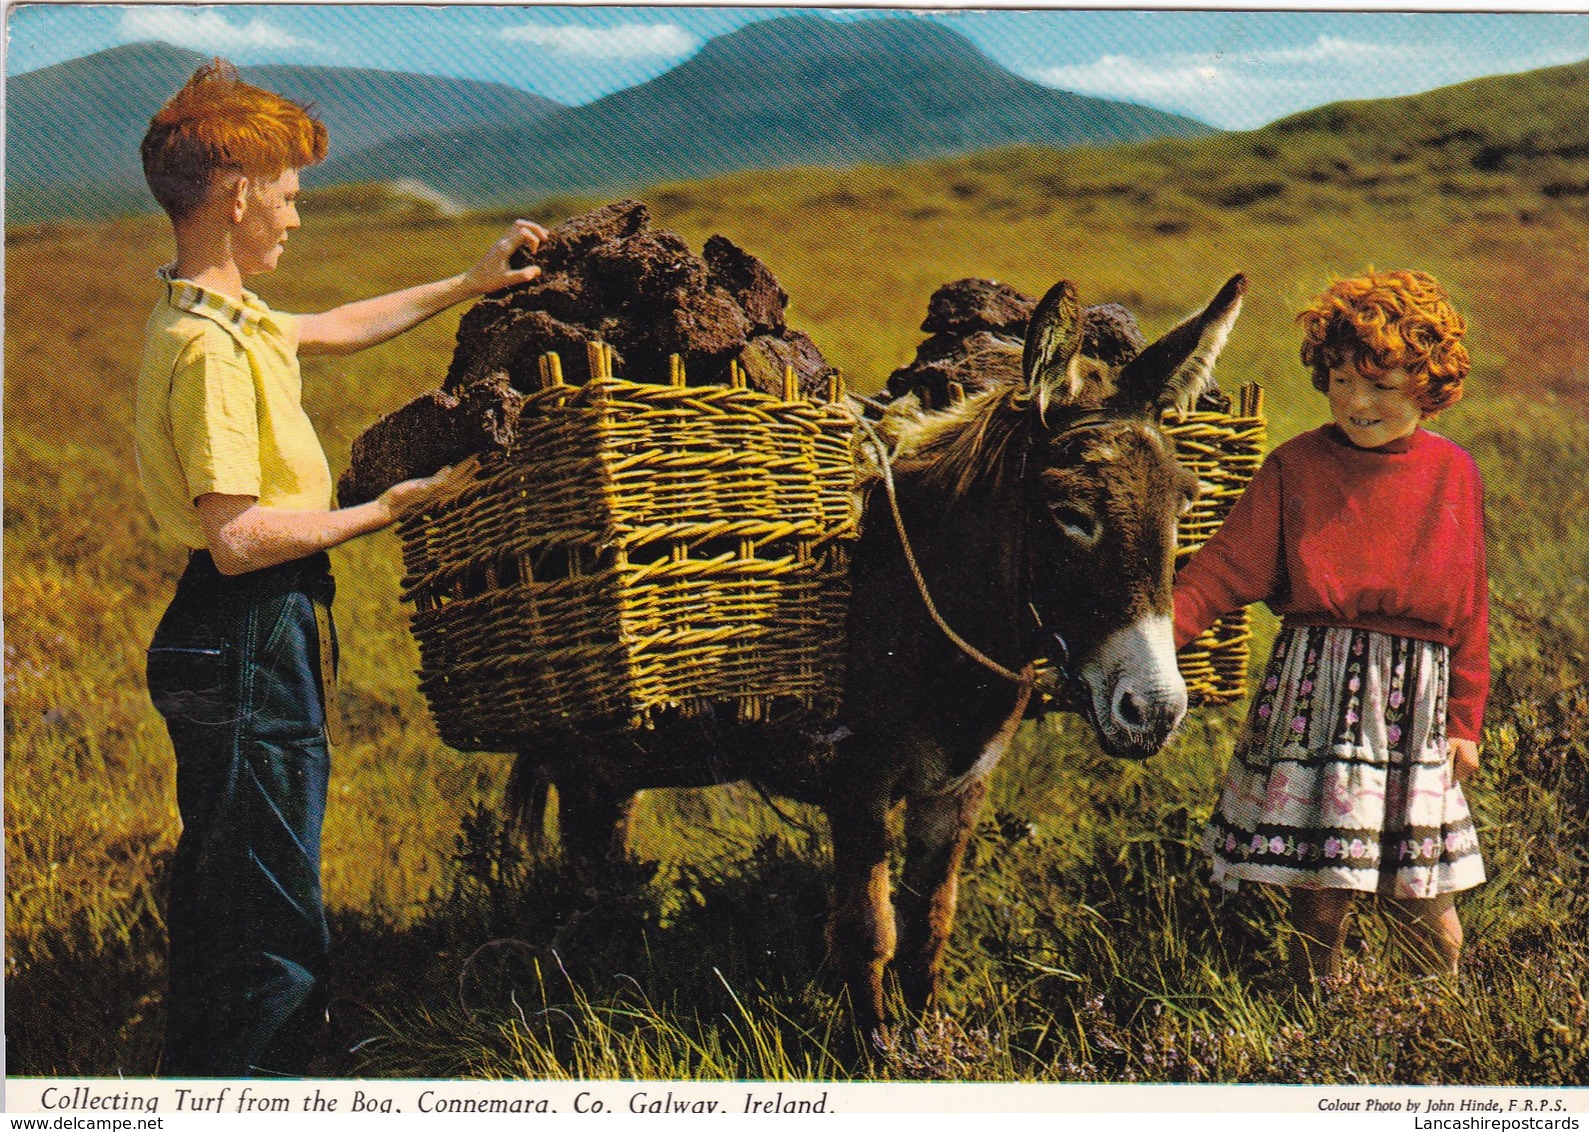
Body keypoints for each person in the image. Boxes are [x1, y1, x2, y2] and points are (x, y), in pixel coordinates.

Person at [134, 59, 548, 1076]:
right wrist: (388, 510)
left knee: (231, 884)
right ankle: (269, 1085)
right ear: (238, 199)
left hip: (246, 630)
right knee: (270, 913)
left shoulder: (219, 317)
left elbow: (333, 327)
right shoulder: (210, 353)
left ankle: (206, 1075)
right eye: (287, 196)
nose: (297, 218)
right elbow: (238, 540)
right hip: (246, 627)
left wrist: (469, 281)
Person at [1174, 268, 1488, 987]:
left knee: (1425, 904)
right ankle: (1314, 1023)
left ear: (1427, 386)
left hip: (1414, 710)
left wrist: (1465, 720)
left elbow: (1470, 609)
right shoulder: (1294, 466)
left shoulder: (1453, 473)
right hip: (1318, 699)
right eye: (1342, 379)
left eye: (1380, 385)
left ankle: (1428, 1026)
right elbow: (1221, 571)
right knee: (1319, 903)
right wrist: (1156, 642)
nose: (1356, 401)